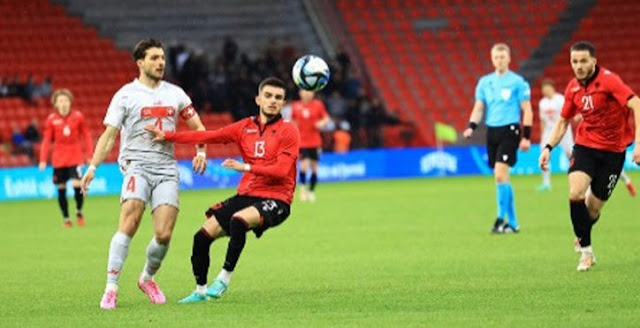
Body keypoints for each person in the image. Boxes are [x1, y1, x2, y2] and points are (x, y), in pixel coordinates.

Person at [143, 77, 299, 304]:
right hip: (246, 195)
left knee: (238, 220)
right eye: (268, 96)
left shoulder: (288, 131)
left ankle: (224, 279)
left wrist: (244, 167)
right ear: (258, 99)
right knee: (201, 237)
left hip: (277, 198)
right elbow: (206, 136)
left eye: (278, 97)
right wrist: (169, 136)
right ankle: (200, 290)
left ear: (283, 103)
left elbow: (282, 171)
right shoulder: (244, 127)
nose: (272, 101)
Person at [79, 38, 208, 309]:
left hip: (166, 168)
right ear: (140, 63)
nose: (161, 62)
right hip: (136, 164)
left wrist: (201, 151)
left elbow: (197, 125)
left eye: (162, 57)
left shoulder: (176, 93)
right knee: (131, 219)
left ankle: (147, 278)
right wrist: (93, 167)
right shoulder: (125, 95)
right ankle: (111, 288)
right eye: (154, 58)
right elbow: (109, 135)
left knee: (163, 234)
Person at [539, 41, 640, 271]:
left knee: (593, 209)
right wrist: (547, 148)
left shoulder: (609, 81)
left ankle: (583, 232)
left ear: (594, 61)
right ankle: (586, 252)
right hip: (585, 147)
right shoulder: (572, 88)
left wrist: (639, 144)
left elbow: (637, 104)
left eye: (583, 61)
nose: (579, 66)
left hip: (613, 152)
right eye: (574, 61)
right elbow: (563, 121)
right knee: (575, 191)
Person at [463, 43, 533, 234]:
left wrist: (526, 137)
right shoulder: (485, 82)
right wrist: (471, 126)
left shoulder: (518, 82)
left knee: (500, 174)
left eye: (503, 57)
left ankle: (500, 219)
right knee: (502, 178)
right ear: (492, 59)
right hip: (492, 131)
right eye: (496, 57)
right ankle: (514, 223)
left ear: (509, 59)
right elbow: (479, 107)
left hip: (510, 130)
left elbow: (527, 109)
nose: (499, 60)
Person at [39, 89, 92, 227]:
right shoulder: (51, 119)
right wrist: (43, 159)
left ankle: (79, 211)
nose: (63, 103)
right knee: (61, 189)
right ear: (55, 104)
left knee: (77, 186)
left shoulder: (78, 117)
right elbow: (46, 140)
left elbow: (86, 136)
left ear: (70, 102)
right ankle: (66, 219)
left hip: (76, 157)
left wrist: (89, 155)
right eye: (60, 101)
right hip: (59, 159)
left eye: (66, 100)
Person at [291, 89, 329, 202]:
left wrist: (321, 123)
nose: (307, 93)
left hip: (315, 142)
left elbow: (326, 118)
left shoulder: (318, 105)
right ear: (300, 93)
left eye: (310, 91)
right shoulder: (295, 106)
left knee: (314, 169)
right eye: (305, 91)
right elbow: (292, 120)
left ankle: (311, 191)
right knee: (303, 166)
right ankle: (302, 189)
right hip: (302, 142)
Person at [537, 79, 574, 191]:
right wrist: (542, 135)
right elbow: (542, 120)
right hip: (549, 130)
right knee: (543, 153)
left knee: (570, 154)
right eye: (543, 89)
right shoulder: (542, 103)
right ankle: (546, 183)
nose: (545, 91)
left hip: (563, 130)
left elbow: (567, 116)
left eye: (547, 88)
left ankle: (576, 179)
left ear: (552, 88)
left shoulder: (560, 99)